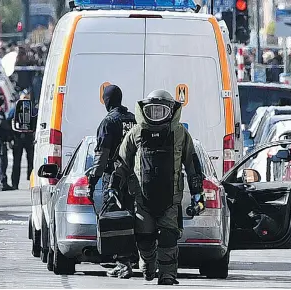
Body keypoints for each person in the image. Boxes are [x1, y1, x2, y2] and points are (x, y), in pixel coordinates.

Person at [109, 89, 204, 285]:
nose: (157, 115)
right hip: (142, 199)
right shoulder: (135, 132)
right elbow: (122, 163)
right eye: (153, 111)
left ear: (172, 111)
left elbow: (192, 164)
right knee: (144, 238)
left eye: (162, 111)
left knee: (169, 237)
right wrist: (114, 186)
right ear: (145, 111)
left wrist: (197, 192)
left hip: (170, 198)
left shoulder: (180, 134)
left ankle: (168, 275)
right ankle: (147, 266)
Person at [86, 84, 137, 279]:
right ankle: (132, 259)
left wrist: (93, 180)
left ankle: (123, 263)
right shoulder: (132, 119)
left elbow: (102, 155)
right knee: (132, 218)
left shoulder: (109, 122)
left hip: (115, 178)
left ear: (107, 100)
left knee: (116, 220)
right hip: (135, 178)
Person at [7, 90, 35, 190]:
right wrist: (10, 139)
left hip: (29, 138)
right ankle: (15, 184)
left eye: (27, 98)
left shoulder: (33, 109)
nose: (25, 101)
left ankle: (32, 182)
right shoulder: (15, 109)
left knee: (32, 162)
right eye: (24, 98)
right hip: (17, 138)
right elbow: (8, 123)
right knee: (16, 163)